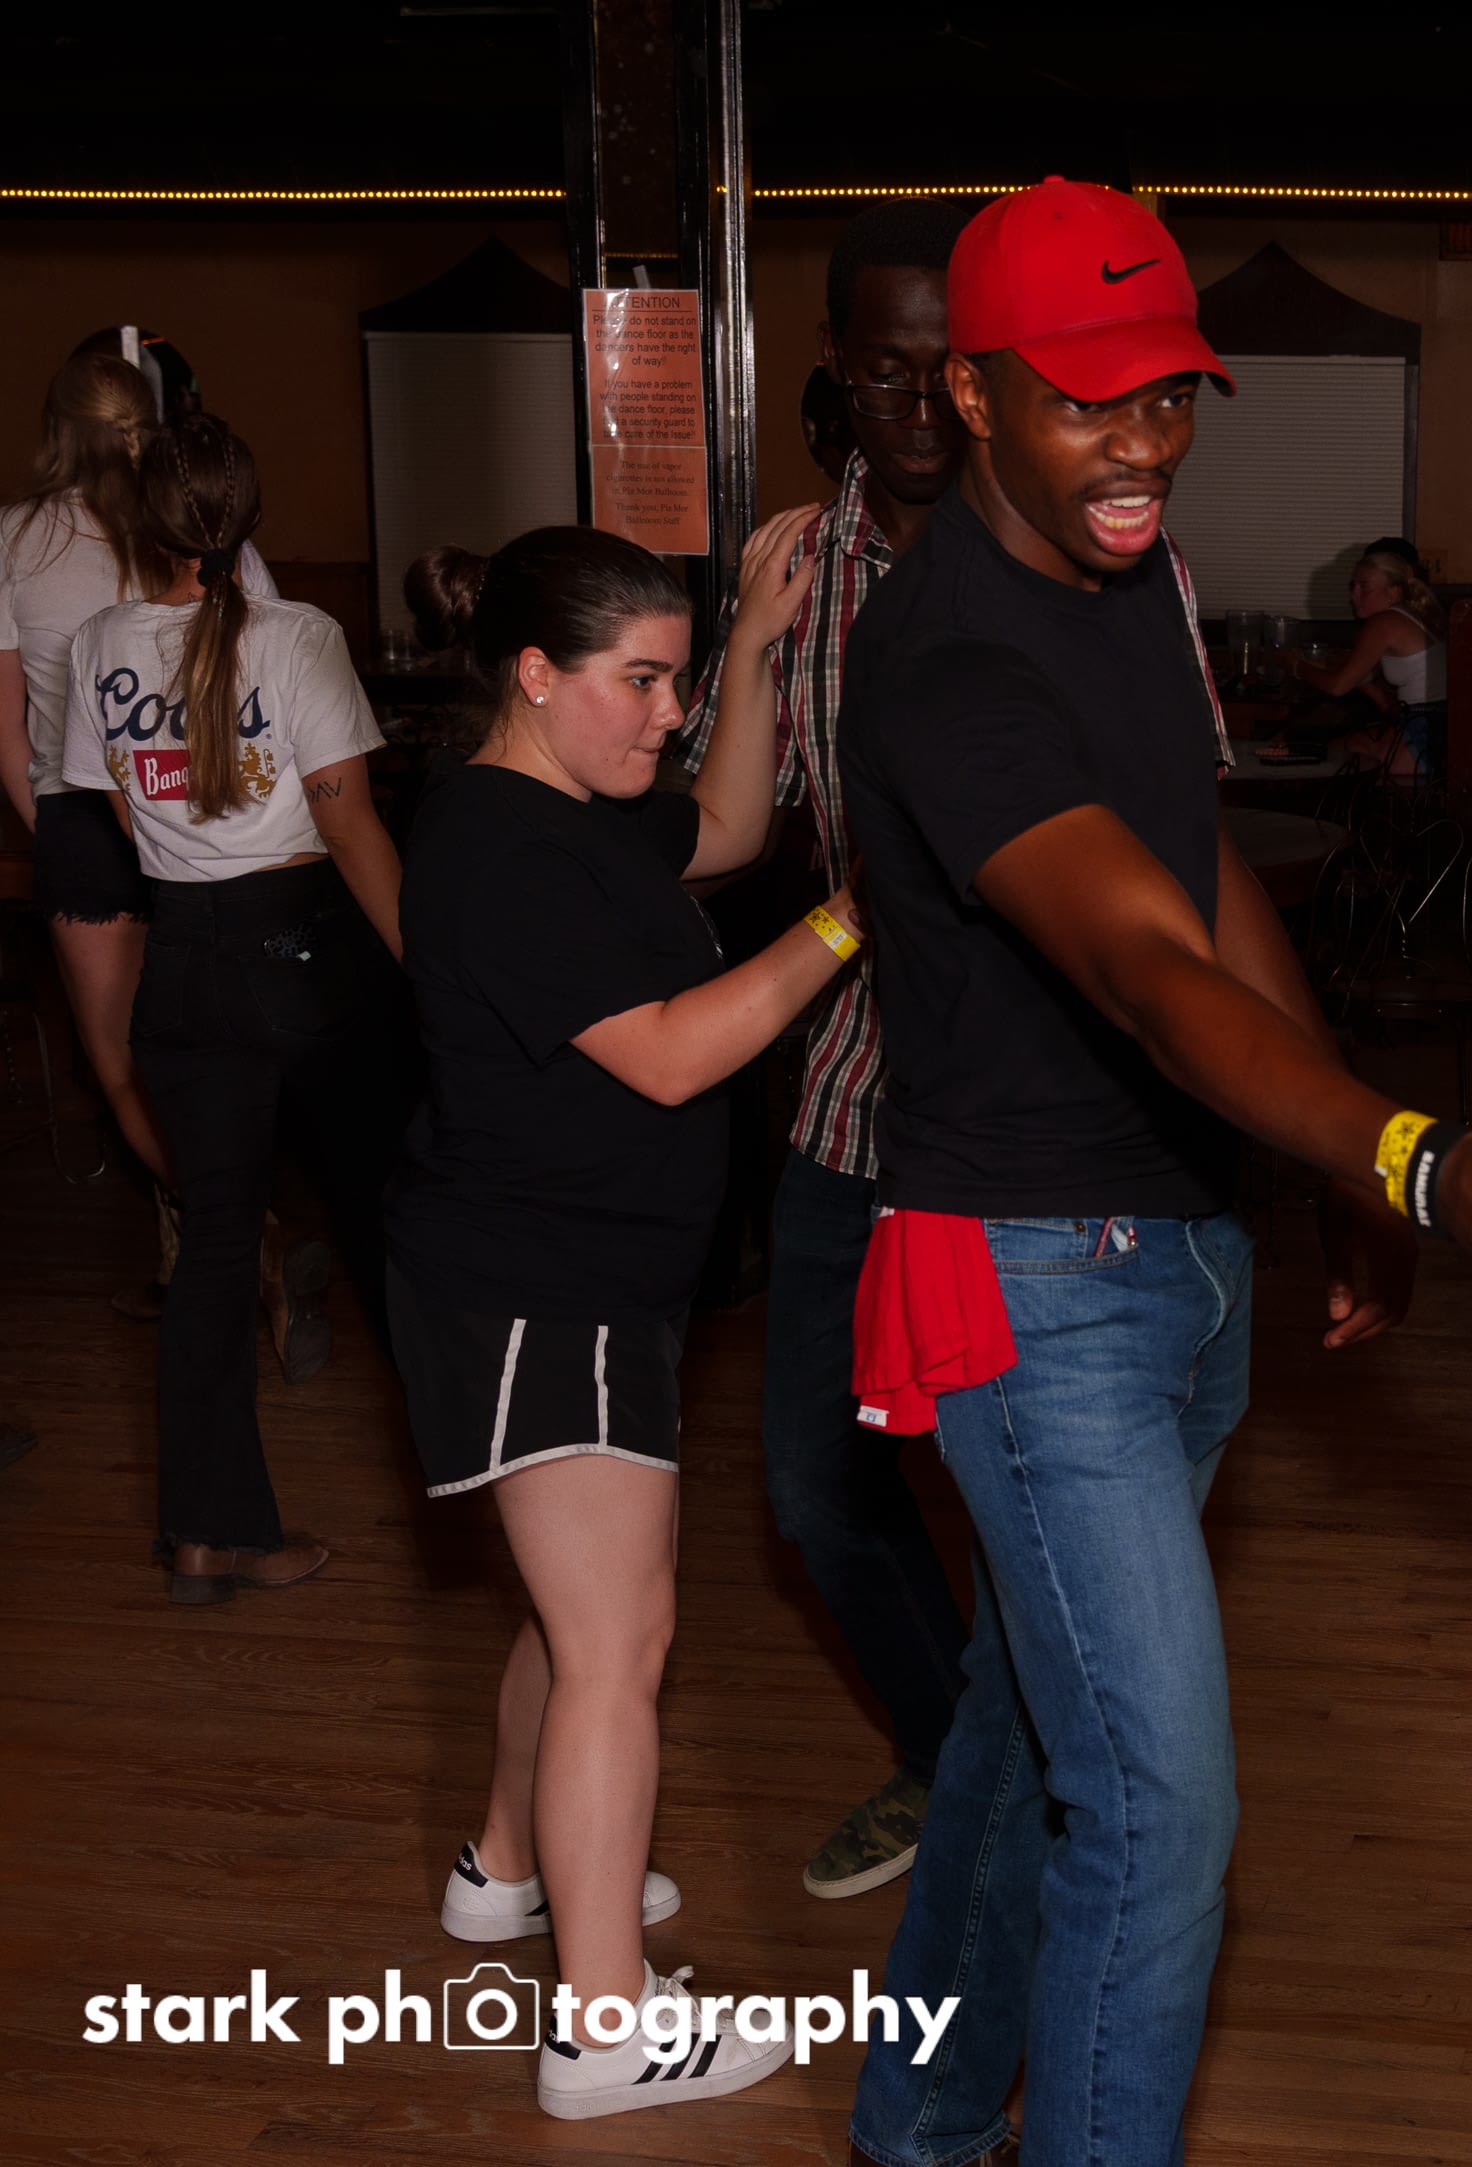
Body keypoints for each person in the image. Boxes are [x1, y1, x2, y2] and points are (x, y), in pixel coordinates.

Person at [837, 177, 1472, 2167]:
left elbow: (1197, 876)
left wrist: (1332, 1162)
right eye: (1086, 401)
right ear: (972, 393)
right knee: (1160, 1809)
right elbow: (1143, 971)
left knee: (1032, 1733)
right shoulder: (949, 659)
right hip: (1029, 1284)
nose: (1142, 446)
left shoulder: (1131, 586)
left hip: (1177, 1258)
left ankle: (912, 2121)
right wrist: (1414, 1157)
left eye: (1168, 396)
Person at [385, 511, 850, 2117]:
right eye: (638, 681)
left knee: (568, 1611)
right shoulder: (498, 850)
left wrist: (749, 650)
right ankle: (601, 2027)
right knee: (616, 1640)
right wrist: (851, 919)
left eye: (674, 678)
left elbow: (723, 825)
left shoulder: (572, 806)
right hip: (541, 1288)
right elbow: (665, 1053)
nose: (666, 714)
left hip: (585, 1276)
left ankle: (508, 1864)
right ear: (532, 673)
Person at [673, 196, 975, 1907]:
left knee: (1026, 1501)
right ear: (836, 370)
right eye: (884, 371)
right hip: (857, 1099)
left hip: (1030, 1123)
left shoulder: (1080, 547)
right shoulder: (799, 561)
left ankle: (1022, 1786)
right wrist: (740, 643)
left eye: (948, 369)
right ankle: (949, 1749)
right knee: (816, 1489)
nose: (919, 406)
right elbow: (728, 836)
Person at [56, 414, 403, 1602]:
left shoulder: (99, 641)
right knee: (388, 1214)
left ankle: (208, 1534)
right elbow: (349, 826)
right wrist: (431, 968)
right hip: (302, 950)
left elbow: (117, 810)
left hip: (184, 958)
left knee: (212, 1244)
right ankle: (486, 1478)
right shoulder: (300, 636)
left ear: (138, 523)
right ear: (250, 518)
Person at [0, 350, 278, 1313]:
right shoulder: (203, 527)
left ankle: (243, 1237)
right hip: (212, 812)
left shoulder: (12, 536)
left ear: (56, 429)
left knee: (121, 1065)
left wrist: (58, 823)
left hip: (84, 818)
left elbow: (7, 732)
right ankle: (235, 1240)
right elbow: (270, 675)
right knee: (221, 1053)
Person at [1295, 541, 1447, 774]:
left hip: (1420, 733)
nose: (1353, 596)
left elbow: (1337, 687)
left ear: (1392, 592)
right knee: (1338, 747)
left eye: (1364, 588)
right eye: (1352, 586)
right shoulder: (1412, 614)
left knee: (1326, 755)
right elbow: (1363, 678)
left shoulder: (1383, 623)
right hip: (1436, 726)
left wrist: (1295, 666)